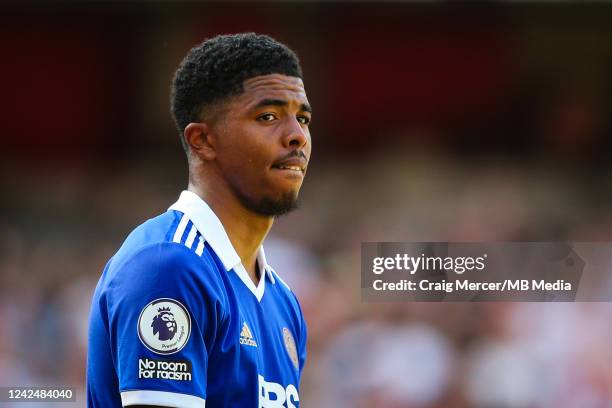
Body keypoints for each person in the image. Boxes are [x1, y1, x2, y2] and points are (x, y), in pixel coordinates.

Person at [86, 33, 312, 408]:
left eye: (303, 118)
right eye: (268, 116)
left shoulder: (283, 300)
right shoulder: (170, 267)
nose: (296, 136)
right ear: (203, 140)